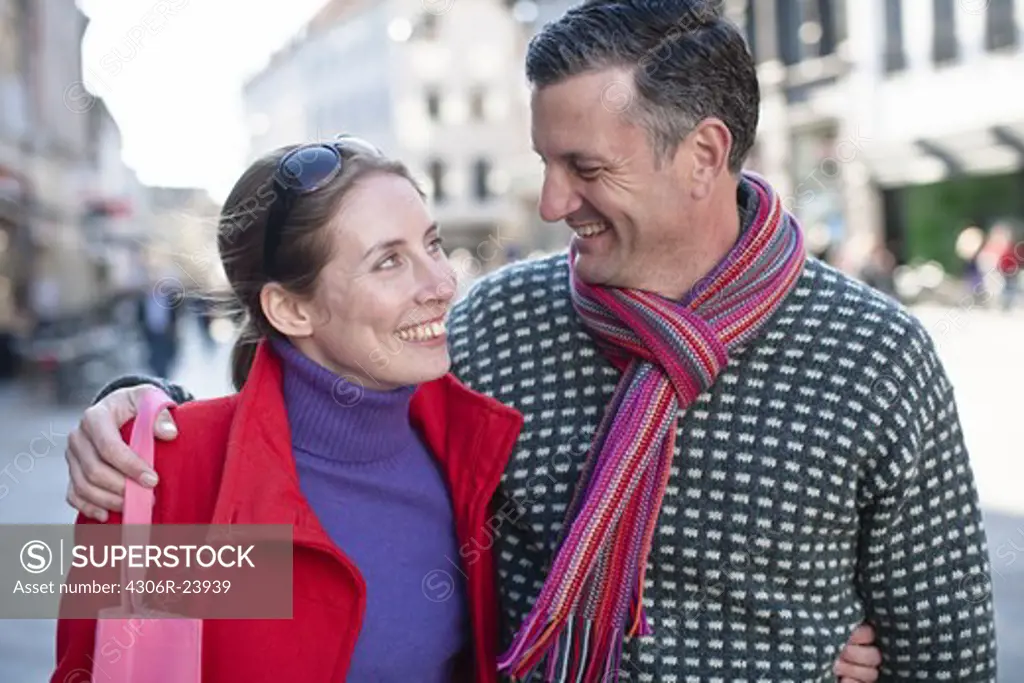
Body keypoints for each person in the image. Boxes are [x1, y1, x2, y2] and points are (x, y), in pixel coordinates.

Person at [59, 1, 997, 681]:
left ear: (705, 155)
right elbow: (110, 646)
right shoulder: (493, 332)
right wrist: (135, 416)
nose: (552, 205)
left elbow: (949, 657)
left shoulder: (875, 357)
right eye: (545, 165)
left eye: (586, 168)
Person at [52, 137, 526, 683]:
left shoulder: (467, 447)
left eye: (433, 244)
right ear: (291, 310)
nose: (443, 284)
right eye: (390, 261)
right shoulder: (156, 478)